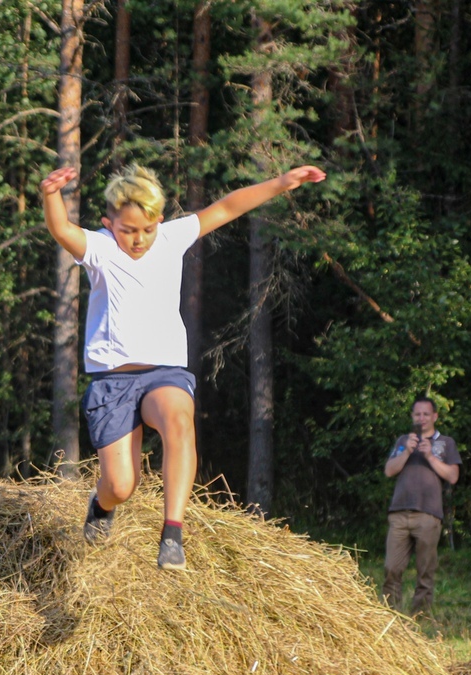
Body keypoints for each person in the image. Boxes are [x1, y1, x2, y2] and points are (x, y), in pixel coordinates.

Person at [40, 162, 325, 569]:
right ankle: (101, 506)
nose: (139, 240)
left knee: (178, 419)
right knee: (121, 486)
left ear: (158, 220)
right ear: (109, 224)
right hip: (113, 380)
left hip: (164, 372)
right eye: (127, 231)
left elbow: (227, 208)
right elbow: (62, 230)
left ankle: (172, 534)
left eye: (147, 229)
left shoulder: (170, 239)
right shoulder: (99, 248)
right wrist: (52, 195)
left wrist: (282, 183)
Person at [381, 396, 460, 615]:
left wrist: (430, 456)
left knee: (425, 571)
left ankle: (420, 617)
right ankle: (390, 616)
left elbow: (453, 476)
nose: (422, 418)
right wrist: (407, 451)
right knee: (391, 569)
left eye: (426, 414)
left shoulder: (446, 442)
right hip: (399, 513)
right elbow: (389, 471)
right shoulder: (402, 441)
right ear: (412, 417)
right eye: (417, 414)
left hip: (428, 514)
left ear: (435, 416)